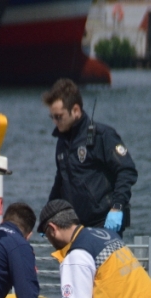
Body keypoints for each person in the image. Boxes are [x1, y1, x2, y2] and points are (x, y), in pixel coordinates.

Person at [42, 78, 137, 234]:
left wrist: (117, 207)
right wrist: (49, 214)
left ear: (76, 111)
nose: (54, 122)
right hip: (74, 227)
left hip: (104, 223)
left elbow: (127, 171)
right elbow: (61, 181)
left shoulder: (102, 136)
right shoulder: (62, 142)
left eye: (59, 116)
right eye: (52, 117)